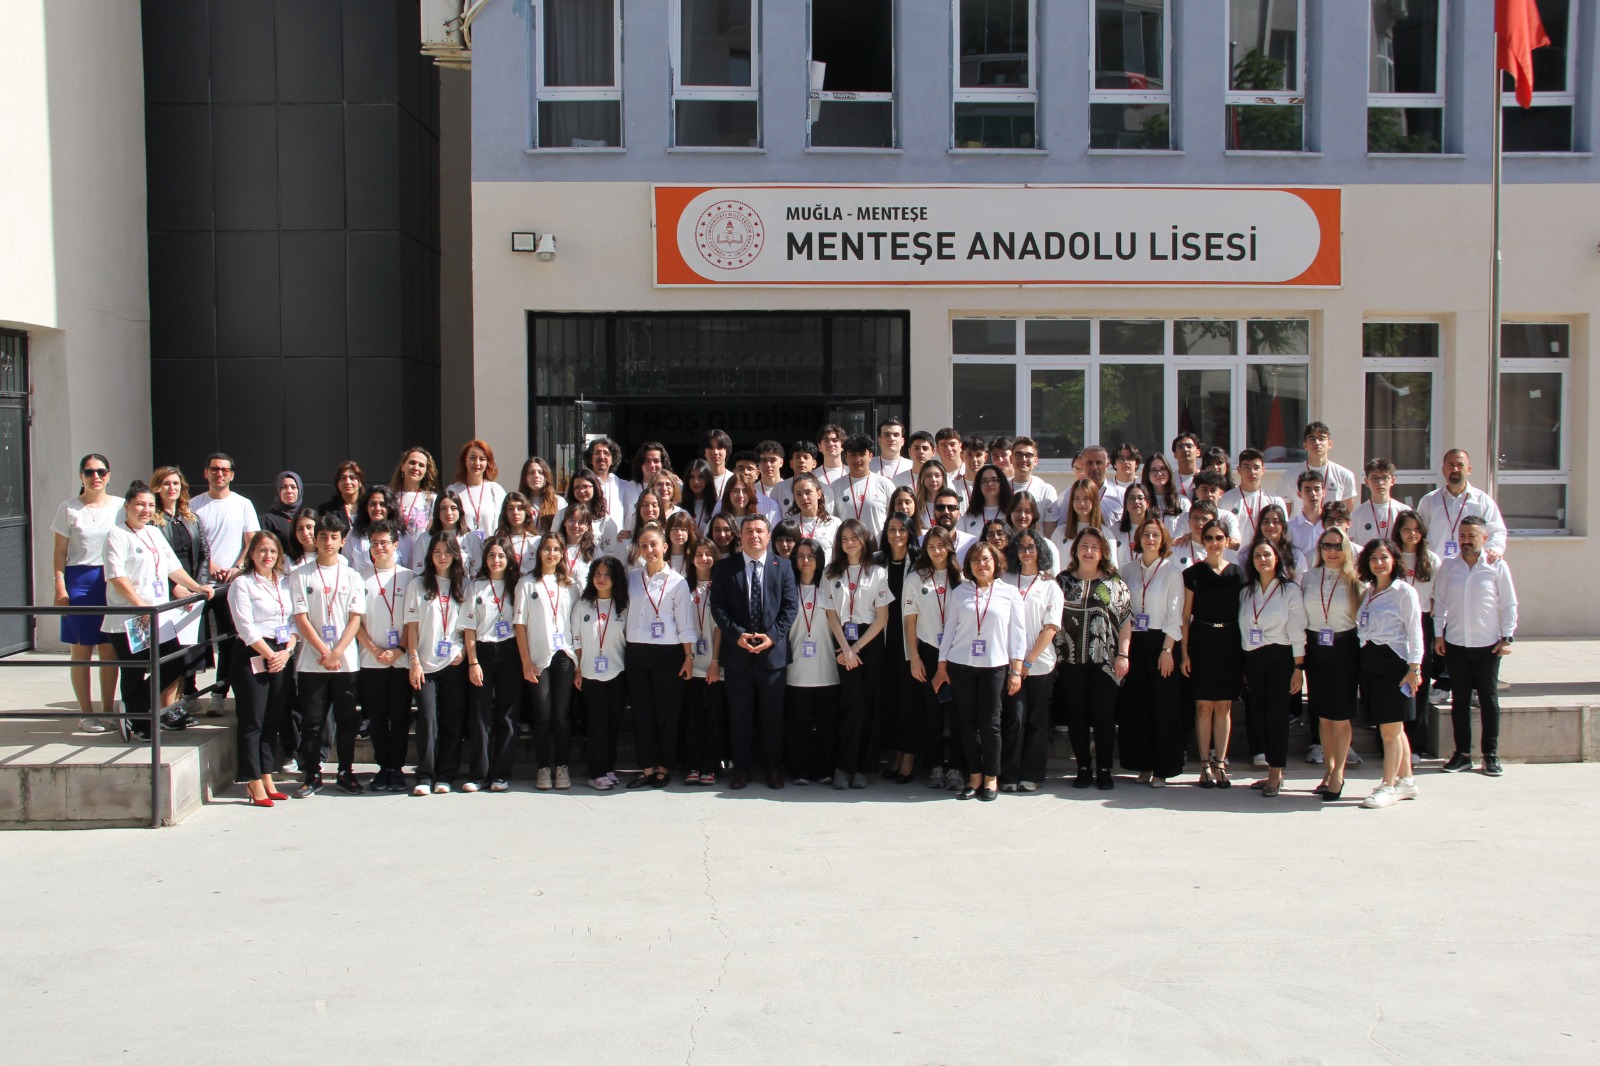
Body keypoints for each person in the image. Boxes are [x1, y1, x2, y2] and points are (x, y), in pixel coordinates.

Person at [103, 480, 213, 739]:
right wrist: (138, 603)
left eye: (150, 505)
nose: (146, 510)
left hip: (157, 616)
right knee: (134, 670)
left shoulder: (153, 532)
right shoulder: (117, 535)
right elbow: (116, 576)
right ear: (127, 506)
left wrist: (197, 586)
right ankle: (139, 724)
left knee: (174, 662)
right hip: (130, 618)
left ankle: (133, 708)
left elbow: (172, 568)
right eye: (140, 504)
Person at [930, 541, 1027, 800]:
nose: (981, 564)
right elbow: (949, 629)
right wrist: (942, 666)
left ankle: (991, 777)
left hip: (995, 666)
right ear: (969, 566)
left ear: (996, 562)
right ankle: (974, 775)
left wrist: (1016, 670)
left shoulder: (1009, 593)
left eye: (986, 559)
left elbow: (1018, 633)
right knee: (966, 723)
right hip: (961, 664)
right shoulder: (960, 592)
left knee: (991, 723)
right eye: (975, 560)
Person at [709, 513, 798, 790]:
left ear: (768, 536)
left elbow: (790, 608)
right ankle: (742, 770)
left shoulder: (783, 567)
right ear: (741, 536)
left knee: (773, 718)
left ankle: (773, 769)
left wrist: (772, 637)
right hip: (738, 655)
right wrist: (737, 635)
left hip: (773, 658)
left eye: (760, 531)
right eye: (748, 531)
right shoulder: (725, 568)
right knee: (740, 718)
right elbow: (718, 608)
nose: (754, 536)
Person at [1433, 516, 1518, 777]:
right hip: (1456, 643)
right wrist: (1438, 635)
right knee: (1459, 700)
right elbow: (1440, 602)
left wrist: (1507, 637)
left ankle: (1490, 755)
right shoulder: (1449, 565)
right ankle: (1462, 754)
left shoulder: (1496, 565)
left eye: (1472, 536)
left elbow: (1509, 603)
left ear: (1484, 538)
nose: (1466, 541)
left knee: (1488, 700)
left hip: (1487, 645)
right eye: (1462, 536)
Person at [289, 513, 367, 797]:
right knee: (312, 723)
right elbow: (301, 618)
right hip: (312, 663)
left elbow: (355, 619)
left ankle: (346, 772)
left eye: (334, 537)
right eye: (323, 536)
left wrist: (337, 651)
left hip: (345, 663)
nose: (328, 542)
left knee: (346, 721)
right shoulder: (300, 575)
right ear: (315, 539)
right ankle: (312, 774)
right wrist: (324, 651)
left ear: (343, 541)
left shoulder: (352, 576)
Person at [1053, 529, 1133, 790]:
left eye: (1095, 547)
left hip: (1105, 661)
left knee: (1104, 717)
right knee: (1076, 716)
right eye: (1084, 546)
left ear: (1102, 553)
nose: (1088, 551)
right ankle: (1083, 768)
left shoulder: (1114, 583)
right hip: (1070, 660)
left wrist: (1123, 654)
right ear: (1075, 549)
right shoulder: (1062, 582)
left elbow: (1125, 621)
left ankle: (1105, 769)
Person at [824, 518, 894, 789]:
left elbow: (882, 617)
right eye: (844, 539)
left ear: (864, 540)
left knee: (869, 705)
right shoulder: (831, 572)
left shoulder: (877, 573)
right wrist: (845, 648)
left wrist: (856, 648)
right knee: (853, 706)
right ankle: (844, 766)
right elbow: (831, 614)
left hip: (869, 642)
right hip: (843, 640)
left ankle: (864, 767)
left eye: (854, 537)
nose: (849, 542)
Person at [624, 524, 696, 788]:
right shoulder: (632, 578)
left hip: (668, 653)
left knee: (667, 712)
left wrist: (688, 657)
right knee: (641, 712)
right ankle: (646, 767)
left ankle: (664, 767)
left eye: (653, 544)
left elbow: (685, 622)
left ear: (665, 547)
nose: (649, 550)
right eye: (644, 546)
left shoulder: (677, 582)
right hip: (636, 652)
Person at [1356, 538, 1425, 808]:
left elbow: (1415, 632)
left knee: (1389, 730)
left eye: (1384, 557)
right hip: (1372, 663)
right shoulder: (1369, 591)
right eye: (1373, 558)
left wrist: (1414, 668)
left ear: (1394, 560)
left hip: (1395, 665)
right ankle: (1407, 781)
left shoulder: (1404, 592)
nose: (1379, 563)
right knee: (1394, 728)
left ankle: (1388, 785)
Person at [1117, 518, 1185, 787]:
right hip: (1134, 641)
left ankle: (1162, 768)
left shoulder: (1171, 571)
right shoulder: (1128, 570)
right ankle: (1143, 764)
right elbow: (1122, 609)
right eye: (1146, 534)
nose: (1150, 539)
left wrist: (1168, 648)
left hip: (1161, 642)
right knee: (1137, 706)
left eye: (1156, 535)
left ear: (1163, 540)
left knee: (1162, 706)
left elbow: (1175, 614)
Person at [229, 531, 295, 807]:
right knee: (253, 719)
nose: (268, 556)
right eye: (262, 550)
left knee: (272, 719)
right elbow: (245, 627)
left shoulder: (284, 582)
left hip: (281, 652)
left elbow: (293, 620)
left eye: (273, 551)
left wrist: (287, 651)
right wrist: (270, 655)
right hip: (253, 653)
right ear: (252, 554)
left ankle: (267, 774)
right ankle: (252, 779)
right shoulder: (242, 584)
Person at [1238, 539, 1307, 798]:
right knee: (1259, 716)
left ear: (1276, 558)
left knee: (1277, 717)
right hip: (1253, 658)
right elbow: (1243, 629)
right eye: (1257, 555)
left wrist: (1299, 667)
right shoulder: (1247, 591)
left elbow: (1297, 630)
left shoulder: (1290, 590)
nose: (1262, 559)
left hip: (1281, 658)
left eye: (1267, 554)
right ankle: (1271, 770)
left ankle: (1277, 773)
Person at [192, 453, 259, 716]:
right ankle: (188, 693)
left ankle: (219, 694)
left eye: (224, 470)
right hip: (199, 584)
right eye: (214, 469)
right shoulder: (194, 505)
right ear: (205, 472)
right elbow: (192, 544)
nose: (219, 474)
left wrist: (237, 567)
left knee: (228, 641)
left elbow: (252, 542)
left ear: (232, 474)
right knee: (193, 642)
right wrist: (211, 567)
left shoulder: (243, 504)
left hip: (231, 584)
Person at [404, 532, 470, 795]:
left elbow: (469, 625)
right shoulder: (418, 585)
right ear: (429, 556)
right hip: (425, 664)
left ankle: (446, 775)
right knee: (428, 719)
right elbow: (411, 627)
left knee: (453, 720)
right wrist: (414, 661)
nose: (442, 557)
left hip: (454, 661)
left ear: (455, 555)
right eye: (437, 552)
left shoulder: (464, 585)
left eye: (447, 551)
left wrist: (463, 651)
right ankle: (425, 775)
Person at [1182, 519, 1246, 789]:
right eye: (1209, 538)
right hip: (1202, 640)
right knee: (1203, 706)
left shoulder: (1238, 574)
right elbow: (1185, 616)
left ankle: (1220, 763)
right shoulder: (1193, 574)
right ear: (1202, 540)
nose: (1214, 543)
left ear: (1227, 541)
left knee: (1224, 706)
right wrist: (1184, 652)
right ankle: (1204, 766)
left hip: (1229, 641)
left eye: (1219, 538)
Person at [1302, 526, 1362, 800]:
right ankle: (1328, 769)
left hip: (1344, 648)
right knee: (1323, 715)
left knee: (1340, 716)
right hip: (1316, 648)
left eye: (1338, 546)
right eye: (1327, 546)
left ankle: (1339, 774)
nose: (1332, 551)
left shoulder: (1356, 580)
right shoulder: (1309, 577)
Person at [514, 532, 578, 790]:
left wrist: (579, 665)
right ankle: (543, 767)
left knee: (561, 715)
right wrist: (526, 661)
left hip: (564, 655)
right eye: (547, 549)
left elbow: (576, 624)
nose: (552, 554)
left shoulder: (571, 585)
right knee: (542, 714)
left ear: (562, 554)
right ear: (539, 552)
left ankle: (561, 767)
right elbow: (520, 625)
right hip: (538, 656)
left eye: (556, 549)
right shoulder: (526, 583)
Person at [1001, 528, 1063, 791]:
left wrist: (1028, 661)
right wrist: (1017, 663)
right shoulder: (1005, 580)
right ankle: (1009, 774)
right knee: (1014, 718)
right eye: (1021, 547)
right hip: (1009, 663)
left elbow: (1050, 627)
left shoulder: (1050, 585)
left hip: (1039, 664)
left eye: (1031, 547)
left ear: (1040, 551)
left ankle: (1033, 775)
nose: (1026, 552)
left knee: (1037, 720)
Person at [355, 521, 414, 792]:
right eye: (374, 543)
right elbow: (355, 621)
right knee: (377, 718)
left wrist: (400, 649)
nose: (379, 548)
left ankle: (397, 768)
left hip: (401, 660)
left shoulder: (409, 577)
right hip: (371, 660)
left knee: (400, 717)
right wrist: (373, 649)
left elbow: (413, 620)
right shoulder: (359, 577)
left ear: (395, 545)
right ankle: (382, 767)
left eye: (384, 543)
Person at [904, 526, 964, 791]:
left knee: (958, 713)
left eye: (941, 546)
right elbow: (910, 621)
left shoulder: (962, 577)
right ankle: (936, 765)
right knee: (933, 713)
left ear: (950, 547)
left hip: (957, 653)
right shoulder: (916, 578)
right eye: (931, 547)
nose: (937, 551)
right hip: (928, 652)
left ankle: (957, 767)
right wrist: (914, 657)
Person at [463, 535, 522, 792]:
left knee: (507, 715)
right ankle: (479, 774)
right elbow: (468, 627)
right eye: (491, 555)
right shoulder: (475, 587)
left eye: (501, 555)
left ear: (509, 559)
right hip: (482, 653)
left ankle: (500, 774)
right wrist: (473, 662)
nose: (496, 560)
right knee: (480, 715)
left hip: (510, 651)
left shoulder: (517, 586)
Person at [151, 466, 211, 713]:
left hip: (192, 590)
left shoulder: (190, 518)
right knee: (170, 654)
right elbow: (154, 562)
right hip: (168, 593)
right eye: (166, 483)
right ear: (157, 488)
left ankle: (177, 706)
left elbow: (204, 554)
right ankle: (167, 709)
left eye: (176, 483)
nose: (171, 488)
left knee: (186, 654)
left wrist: (198, 589)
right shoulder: (152, 520)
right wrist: (173, 587)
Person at [571, 556, 630, 789]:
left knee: (613, 723)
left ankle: (608, 767)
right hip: (589, 674)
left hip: (617, 672)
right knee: (597, 723)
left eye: (607, 575)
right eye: (597, 574)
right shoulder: (582, 605)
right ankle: (596, 772)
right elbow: (576, 639)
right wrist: (578, 669)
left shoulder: (623, 606)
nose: (601, 579)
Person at [784, 540, 839, 785]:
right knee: (798, 724)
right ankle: (800, 770)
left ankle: (825, 769)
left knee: (827, 724)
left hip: (827, 668)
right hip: (796, 670)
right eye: (800, 556)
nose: (805, 561)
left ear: (819, 560)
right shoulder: (788, 589)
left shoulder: (829, 587)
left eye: (811, 556)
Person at [1395, 510, 1443, 759]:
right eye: (1406, 529)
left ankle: (1416, 743)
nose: (1411, 534)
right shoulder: (1391, 556)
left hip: (1422, 622)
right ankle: (1393, 742)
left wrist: (1437, 633)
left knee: (1419, 683)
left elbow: (1437, 599)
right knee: (1396, 681)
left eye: (1416, 529)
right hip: (1394, 624)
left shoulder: (1431, 560)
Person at [877, 513, 920, 782]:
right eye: (891, 529)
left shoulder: (918, 562)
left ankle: (909, 756)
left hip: (910, 640)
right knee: (891, 700)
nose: (896, 535)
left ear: (910, 533)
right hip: (883, 639)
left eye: (902, 530)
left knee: (909, 701)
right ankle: (897, 753)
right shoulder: (877, 561)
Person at [681, 538, 726, 786]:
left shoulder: (720, 587)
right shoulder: (682, 586)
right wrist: (688, 657)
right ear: (692, 558)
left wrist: (715, 661)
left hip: (714, 664)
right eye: (698, 554)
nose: (703, 558)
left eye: (708, 554)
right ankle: (693, 765)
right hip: (690, 663)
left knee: (715, 718)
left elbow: (720, 627)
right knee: (693, 717)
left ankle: (710, 766)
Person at [1416, 449, 1509, 563]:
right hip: (1435, 567)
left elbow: (1496, 531)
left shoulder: (1483, 501)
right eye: (1451, 465)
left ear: (1469, 470)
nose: (1455, 469)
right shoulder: (1429, 501)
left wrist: (1493, 550)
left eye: (1460, 465)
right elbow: (1418, 534)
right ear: (1443, 470)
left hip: (1469, 567)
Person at [1281, 422, 1358, 516]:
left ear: (1330, 444)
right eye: (1312, 439)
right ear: (1305, 446)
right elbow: (1284, 516)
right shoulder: (1289, 475)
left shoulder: (1345, 475)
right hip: (1301, 525)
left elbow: (1346, 515)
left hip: (1331, 525)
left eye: (1321, 438)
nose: (1317, 443)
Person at [830, 434, 896, 536]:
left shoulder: (885, 484)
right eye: (853, 454)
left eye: (862, 454)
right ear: (846, 457)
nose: (857, 459)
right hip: (848, 544)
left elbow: (894, 518)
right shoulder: (835, 487)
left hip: (877, 544)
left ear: (870, 456)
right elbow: (831, 522)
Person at [1221, 449, 1285, 544]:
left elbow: (1284, 533)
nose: (1252, 472)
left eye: (1256, 467)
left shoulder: (1275, 500)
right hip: (1235, 553)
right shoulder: (1226, 499)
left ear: (1263, 470)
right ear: (1239, 470)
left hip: (1265, 552)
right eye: (1247, 467)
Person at [446, 439, 506, 541]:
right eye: (472, 458)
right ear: (465, 460)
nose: (477, 463)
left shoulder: (496, 490)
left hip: (490, 548)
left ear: (488, 462)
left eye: (482, 459)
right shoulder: (453, 491)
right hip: (462, 548)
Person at [414, 490, 480, 581]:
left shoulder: (472, 538)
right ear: (437, 511)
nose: (448, 513)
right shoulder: (424, 539)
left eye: (453, 508)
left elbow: (476, 576)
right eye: (443, 508)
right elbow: (418, 574)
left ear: (460, 511)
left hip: (462, 588)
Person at [345, 485, 403, 571]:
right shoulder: (354, 534)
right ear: (366, 507)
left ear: (390, 507)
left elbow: (409, 567)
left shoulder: (402, 536)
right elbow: (346, 565)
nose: (377, 508)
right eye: (373, 504)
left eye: (382, 504)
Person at [388, 446, 439, 540]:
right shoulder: (389, 497)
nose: (416, 467)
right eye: (412, 463)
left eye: (421, 465)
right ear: (402, 467)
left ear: (426, 472)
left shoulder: (432, 500)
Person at [1351, 458, 1404, 547]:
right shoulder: (1357, 515)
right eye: (1374, 478)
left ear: (1392, 481)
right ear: (1366, 482)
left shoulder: (1403, 511)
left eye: (1384, 478)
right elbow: (1353, 547)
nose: (1380, 482)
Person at [259, 471, 304, 563]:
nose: (289, 491)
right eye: (284, 487)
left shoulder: (306, 517)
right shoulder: (268, 519)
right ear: (278, 490)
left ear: (299, 490)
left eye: (293, 487)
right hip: (280, 568)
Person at [1190, 471, 1242, 548]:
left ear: (1221, 493)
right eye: (1204, 490)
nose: (1209, 494)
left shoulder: (1227, 516)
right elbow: (1175, 541)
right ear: (1197, 492)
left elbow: (1236, 544)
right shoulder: (1187, 516)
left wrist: (1217, 537)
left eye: (1213, 490)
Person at [1009, 436, 1059, 516]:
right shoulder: (1001, 488)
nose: (1023, 459)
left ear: (1035, 461)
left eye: (1028, 455)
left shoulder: (1045, 491)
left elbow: (1050, 524)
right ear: (1011, 459)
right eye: (1019, 455)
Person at [960, 463, 1013, 536]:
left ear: (1002, 483)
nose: (989, 484)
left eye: (994, 480)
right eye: (984, 481)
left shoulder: (1011, 513)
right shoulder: (969, 515)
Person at [1143, 452, 1190, 534]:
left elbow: (1189, 530)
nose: (1159, 473)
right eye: (1154, 470)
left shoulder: (1182, 501)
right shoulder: (1142, 501)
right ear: (1147, 475)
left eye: (1162, 469)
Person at [516, 456, 566, 534]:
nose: (536, 476)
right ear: (525, 477)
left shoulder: (558, 501)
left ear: (546, 476)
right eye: (531, 472)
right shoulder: (518, 502)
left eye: (540, 472)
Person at [1286, 471, 1326, 562]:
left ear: (1323, 492)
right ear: (1299, 494)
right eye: (1307, 490)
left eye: (1317, 489)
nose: (1313, 494)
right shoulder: (1290, 527)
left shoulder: (1331, 526)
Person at [497, 491, 541, 574]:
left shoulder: (536, 541)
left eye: (520, 508)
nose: (515, 512)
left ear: (526, 512)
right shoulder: (499, 541)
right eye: (510, 509)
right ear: (505, 513)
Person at [1110, 484, 1152, 570]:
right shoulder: (1115, 530)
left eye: (1140, 498)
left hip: (1148, 577)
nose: (1136, 502)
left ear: (1147, 503)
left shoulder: (1154, 530)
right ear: (1125, 504)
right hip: (1120, 577)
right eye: (1131, 498)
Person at [319, 461, 364, 532]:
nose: (347, 482)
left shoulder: (368, 507)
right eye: (343, 478)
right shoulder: (327, 510)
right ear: (337, 483)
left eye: (352, 478)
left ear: (360, 482)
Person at [871, 417, 914, 485]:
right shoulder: (868, 465)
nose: (891, 438)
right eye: (887, 435)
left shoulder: (912, 466)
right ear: (879, 441)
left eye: (896, 435)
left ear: (902, 441)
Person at [681, 459, 720, 534]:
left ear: (708, 479)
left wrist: (700, 537)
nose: (696, 481)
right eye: (692, 477)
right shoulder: (680, 506)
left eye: (701, 477)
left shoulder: (717, 506)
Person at [913, 459, 949, 530]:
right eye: (928, 476)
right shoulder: (915, 506)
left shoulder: (950, 505)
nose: (933, 479)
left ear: (943, 478)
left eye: (937, 475)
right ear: (922, 479)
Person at [701, 428, 737, 498]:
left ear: (727, 451)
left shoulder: (735, 480)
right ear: (704, 452)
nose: (715, 452)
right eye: (710, 448)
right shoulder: (697, 481)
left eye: (719, 447)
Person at [814, 423, 849, 490]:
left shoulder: (851, 472)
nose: (830, 444)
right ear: (819, 447)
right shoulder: (813, 476)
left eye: (835, 440)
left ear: (842, 446)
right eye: (826, 441)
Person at [1171, 432, 1203, 499]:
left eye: (1189, 446)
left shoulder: (1205, 477)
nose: (1185, 449)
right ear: (1175, 454)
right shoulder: (1170, 479)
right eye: (1181, 447)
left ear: (1198, 452)